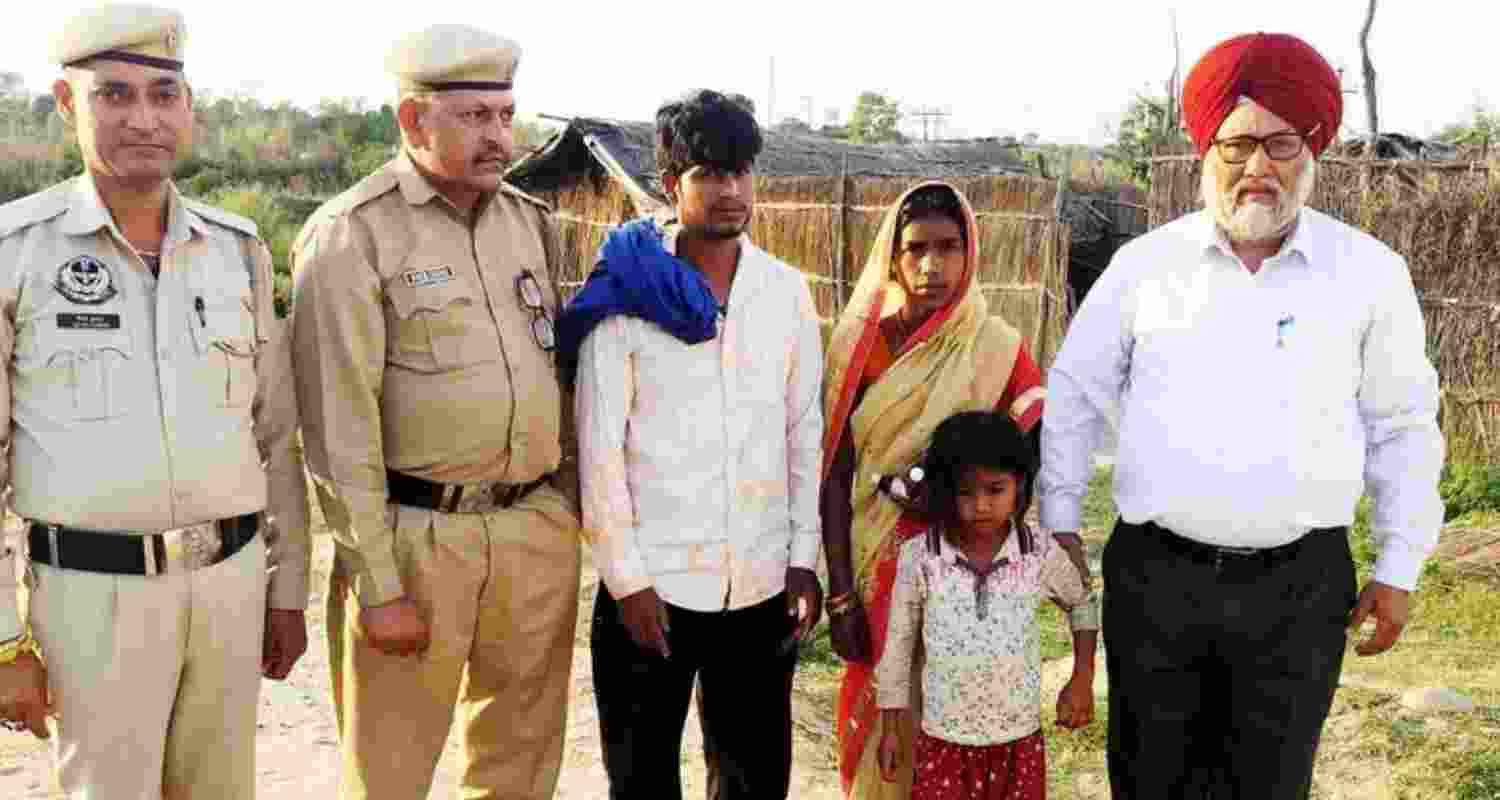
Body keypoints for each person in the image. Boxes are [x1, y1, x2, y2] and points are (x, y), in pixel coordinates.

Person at [1039, 32, 1445, 800]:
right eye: (1237, 145)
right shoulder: (1143, 269)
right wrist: (1060, 522)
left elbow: (1402, 426)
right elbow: (1074, 396)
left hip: (1301, 588)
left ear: (1312, 150)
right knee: (1149, 781)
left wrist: (1399, 565)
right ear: (1206, 154)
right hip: (1156, 583)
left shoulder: (1369, 275)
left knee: (1271, 784)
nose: (1258, 167)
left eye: (1281, 143)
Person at [0, 4, 310, 797]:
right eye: (114, 95)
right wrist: (4, 642)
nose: (145, 117)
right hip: (90, 601)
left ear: (189, 106)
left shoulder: (237, 250)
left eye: (164, 94)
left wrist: (285, 590)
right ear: (68, 105)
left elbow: (276, 438)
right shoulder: (16, 253)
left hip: (229, 584)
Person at [289, 24, 580, 800]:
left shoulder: (527, 222)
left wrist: (565, 511)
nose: (499, 137)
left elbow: (558, 371)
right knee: (389, 772)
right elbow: (336, 427)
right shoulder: (353, 235)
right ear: (413, 122)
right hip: (416, 540)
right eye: (474, 116)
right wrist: (377, 583)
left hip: (531, 529)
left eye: (504, 114)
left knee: (520, 763)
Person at [564, 89, 823, 800]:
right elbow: (599, 450)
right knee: (642, 779)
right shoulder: (627, 292)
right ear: (669, 183)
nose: (730, 190)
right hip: (653, 593)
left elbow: (805, 430)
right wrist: (627, 582)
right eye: (709, 173)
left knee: (754, 778)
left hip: (759, 582)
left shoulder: (786, 294)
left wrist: (803, 559)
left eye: (741, 171)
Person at [819, 181, 1084, 799]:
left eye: (948, 247)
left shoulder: (995, 346)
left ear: (971, 253)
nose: (931, 266)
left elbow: (1029, 449)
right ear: (893, 256)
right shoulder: (861, 347)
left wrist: (948, 495)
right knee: (882, 739)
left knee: (960, 742)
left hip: (965, 576)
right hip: (875, 568)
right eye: (915, 250)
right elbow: (833, 473)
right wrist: (838, 597)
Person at [875, 411, 1097, 800]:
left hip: (1019, 743)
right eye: (965, 492)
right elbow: (898, 648)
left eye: (995, 490)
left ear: (1020, 487)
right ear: (945, 491)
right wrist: (891, 728)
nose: (980, 505)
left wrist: (1082, 677)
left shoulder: (1038, 552)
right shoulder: (921, 558)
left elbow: (1082, 604)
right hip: (943, 743)